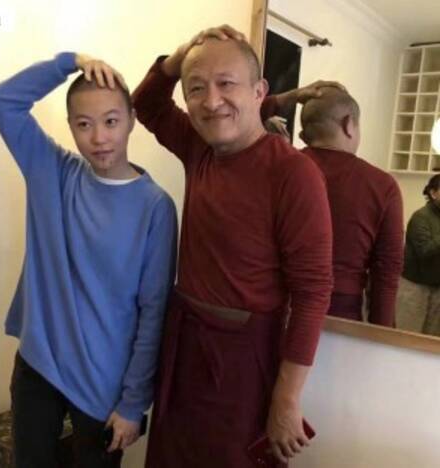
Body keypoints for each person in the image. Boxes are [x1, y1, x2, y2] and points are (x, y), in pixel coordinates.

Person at [132, 26, 333, 467]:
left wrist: (286, 400)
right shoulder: (199, 147)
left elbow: (313, 292)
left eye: (226, 83)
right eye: (196, 88)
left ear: (260, 92)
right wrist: (182, 55)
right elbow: (146, 103)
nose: (211, 101)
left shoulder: (294, 173)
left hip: (244, 363)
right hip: (183, 347)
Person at [0, 52, 178, 468]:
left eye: (111, 121)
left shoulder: (155, 207)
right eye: (84, 124)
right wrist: (69, 62)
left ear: (131, 120)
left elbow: (154, 311)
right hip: (39, 366)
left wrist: (133, 403)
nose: (99, 137)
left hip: (103, 383)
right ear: (71, 126)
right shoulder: (53, 171)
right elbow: (1, 101)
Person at [262, 86, 404, 327]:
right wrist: (381, 337)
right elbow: (386, 274)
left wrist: (286, 98)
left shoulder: (277, 170)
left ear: (304, 135)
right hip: (340, 314)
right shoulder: (382, 186)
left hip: (271, 306)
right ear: (349, 124)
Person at [396, 174, 440, 335]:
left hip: (437, 288)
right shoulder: (420, 217)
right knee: (407, 335)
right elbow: (425, 250)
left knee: (430, 340)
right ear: (433, 193)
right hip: (415, 287)